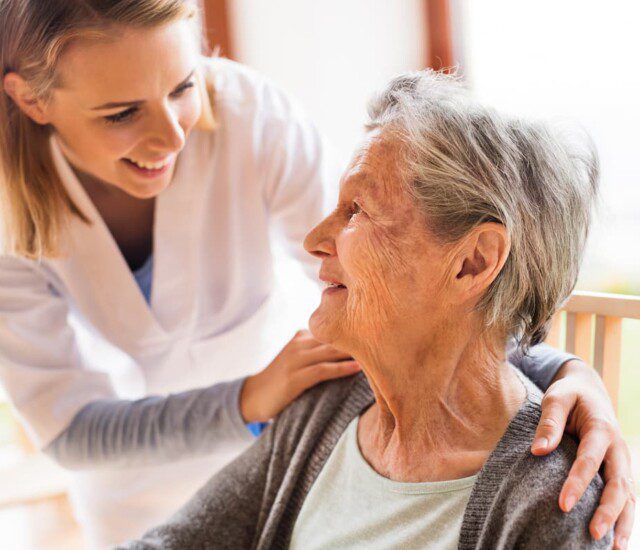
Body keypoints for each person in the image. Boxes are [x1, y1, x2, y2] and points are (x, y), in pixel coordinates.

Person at [0, 1, 633, 548]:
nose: (172, 134)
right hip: (152, 485)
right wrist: (248, 400)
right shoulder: (320, 420)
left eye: (183, 87)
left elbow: (427, 289)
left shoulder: (252, 118)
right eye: (120, 114)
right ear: (31, 100)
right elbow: (73, 429)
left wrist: (567, 372)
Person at [119, 70, 619, 549]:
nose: (314, 239)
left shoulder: (555, 502)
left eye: (357, 210)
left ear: (472, 262)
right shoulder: (327, 403)